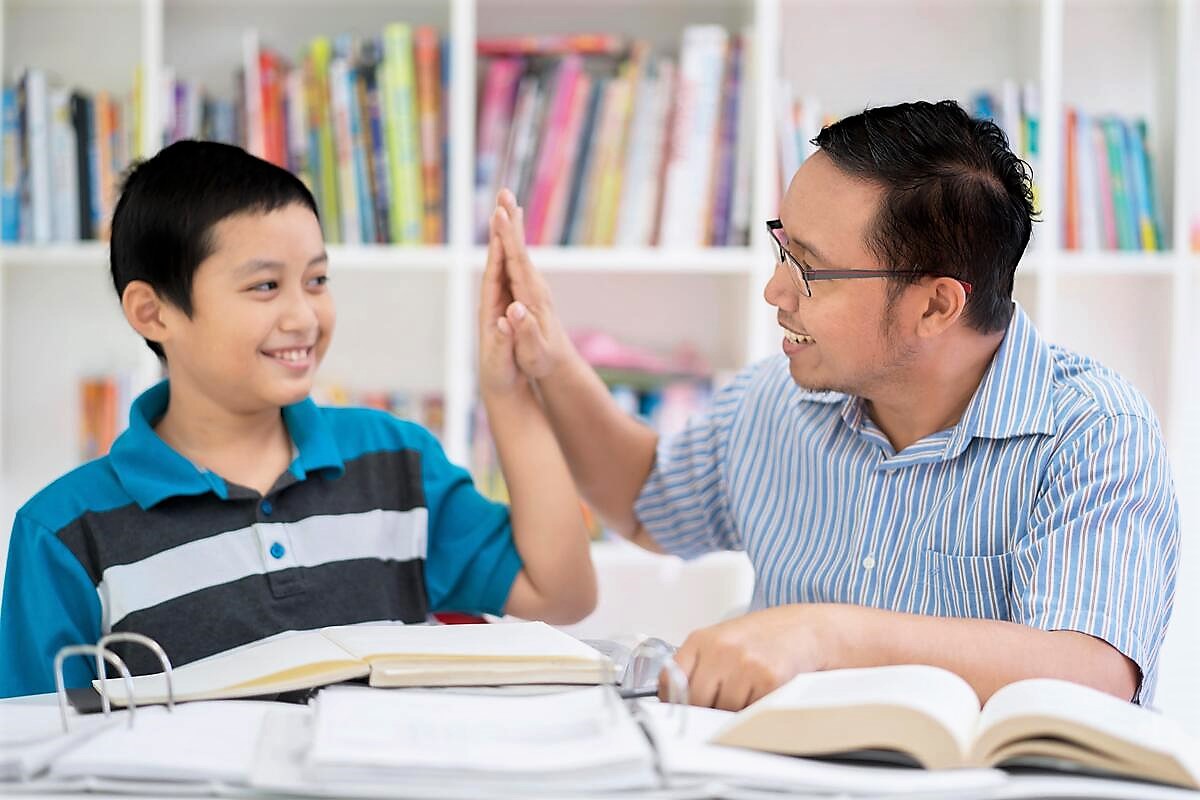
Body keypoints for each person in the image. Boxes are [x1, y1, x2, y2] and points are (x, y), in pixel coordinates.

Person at [482, 100, 1179, 710]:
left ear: (936, 305)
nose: (776, 293)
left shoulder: (1094, 432)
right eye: (782, 249)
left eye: (809, 269)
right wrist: (551, 361)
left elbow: (1095, 671)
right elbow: (645, 503)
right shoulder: (776, 398)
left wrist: (825, 635)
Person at [0, 140, 596, 698]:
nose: (304, 316)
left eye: (316, 280)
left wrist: (509, 390)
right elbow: (31, 750)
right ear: (153, 313)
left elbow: (563, 593)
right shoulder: (63, 535)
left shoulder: (397, 463)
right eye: (265, 286)